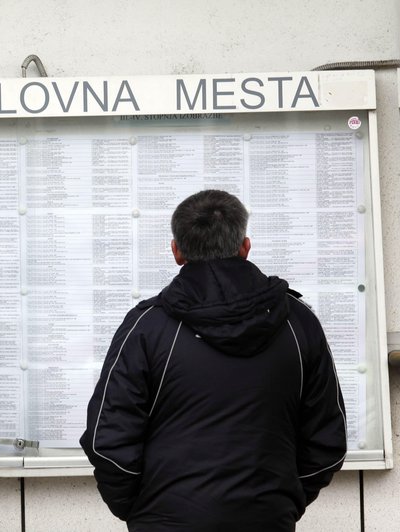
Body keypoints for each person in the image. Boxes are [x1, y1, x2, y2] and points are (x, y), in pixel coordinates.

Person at [80, 189, 347, 532]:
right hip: (267, 520)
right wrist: (281, 502)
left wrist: (143, 510)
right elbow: (327, 439)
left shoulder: (148, 326)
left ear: (176, 251)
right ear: (245, 247)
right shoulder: (298, 323)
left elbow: (108, 440)